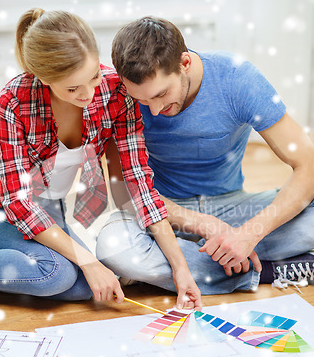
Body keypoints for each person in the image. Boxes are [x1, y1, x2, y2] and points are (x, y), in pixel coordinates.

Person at [0, 8, 202, 310]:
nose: (88, 94)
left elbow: (139, 185)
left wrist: (181, 268)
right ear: (44, 79)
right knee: (56, 274)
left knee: (86, 286)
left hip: (45, 205)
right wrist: (86, 260)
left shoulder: (115, 92)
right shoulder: (14, 100)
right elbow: (18, 202)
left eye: (94, 76)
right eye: (73, 88)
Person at [95, 16, 314, 293]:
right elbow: (125, 193)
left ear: (184, 63)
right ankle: (266, 270)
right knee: (112, 247)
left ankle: (185, 263)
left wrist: (249, 233)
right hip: (161, 215)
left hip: (234, 210)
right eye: (141, 100)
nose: (153, 110)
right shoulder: (118, 95)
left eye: (162, 94)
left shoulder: (237, 78)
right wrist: (203, 225)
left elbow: (308, 164)